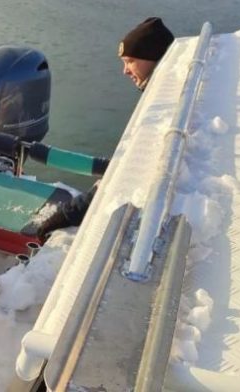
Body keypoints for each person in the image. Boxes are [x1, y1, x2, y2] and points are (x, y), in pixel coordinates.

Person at [34, 17, 174, 240]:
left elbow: (127, 171)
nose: (125, 71)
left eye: (130, 61)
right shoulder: (165, 97)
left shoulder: (163, 112)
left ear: (152, 58)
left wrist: (67, 214)